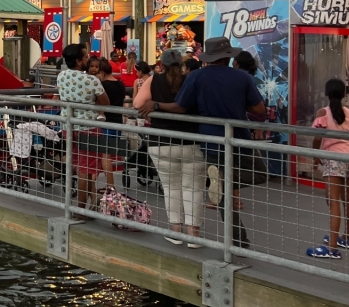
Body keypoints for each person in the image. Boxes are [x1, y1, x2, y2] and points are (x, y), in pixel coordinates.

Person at [141, 37, 265, 246]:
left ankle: (236, 235)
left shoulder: (197, 76)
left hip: (210, 139)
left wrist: (156, 105)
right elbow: (259, 111)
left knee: (222, 193)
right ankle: (238, 238)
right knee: (260, 173)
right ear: (228, 57)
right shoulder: (242, 78)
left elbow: (181, 107)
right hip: (239, 137)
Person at [135, 49, 204, 246]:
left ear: (161, 65)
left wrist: (152, 106)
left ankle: (176, 232)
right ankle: (194, 236)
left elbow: (138, 103)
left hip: (161, 142)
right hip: (192, 141)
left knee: (171, 188)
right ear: (182, 64)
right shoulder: (190, 79)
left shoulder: (153, 80)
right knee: (194, 188)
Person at [306, 78, 349, 259]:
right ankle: (347, 238)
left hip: (332, 159)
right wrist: (348, 146)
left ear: (326, 93)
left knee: (333, 201)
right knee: (347, 199)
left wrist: (316, 156)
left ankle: (332, 248)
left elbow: (317, 138)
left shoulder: (323, 112)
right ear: (344, 94)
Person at [56, 44, 110, 212]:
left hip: (69, 127)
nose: (88, 60)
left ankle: (89, 203)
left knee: (80, 166)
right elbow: (106, 102)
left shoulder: (61, 76)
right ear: (79, 61)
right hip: (89, 129)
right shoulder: (92, 80)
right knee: (86, 172)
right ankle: (81, 210)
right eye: (86, 57)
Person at [98, 58, 126, 187]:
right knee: (107, 154)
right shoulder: (120, 84)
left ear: (102, 72)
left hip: (105, 123)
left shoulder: (102, 86)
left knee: (105, 156)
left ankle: (110, 185)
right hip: (118, 122)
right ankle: (106, 185)